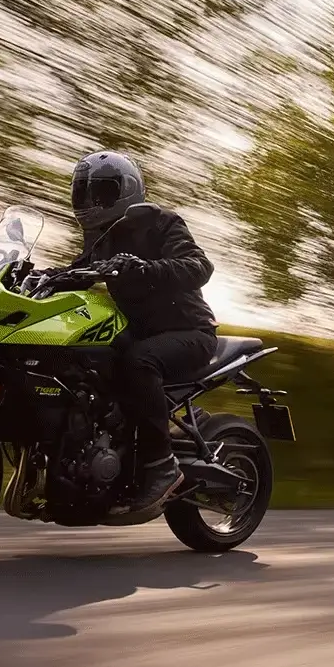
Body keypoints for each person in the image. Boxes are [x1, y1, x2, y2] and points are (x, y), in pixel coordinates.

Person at [64, 151, 218, 515]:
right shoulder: (100, 235)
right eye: (84, 191)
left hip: (190, 333)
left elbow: (200, 266)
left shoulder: (162, 222)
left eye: (101, 192)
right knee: (85, 357)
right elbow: (79, 271)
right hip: (140, 332)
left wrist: (147, 269)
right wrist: (37, 277)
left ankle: (162, 466)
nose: (91, 201)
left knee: (138, 361)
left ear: (127, 189)